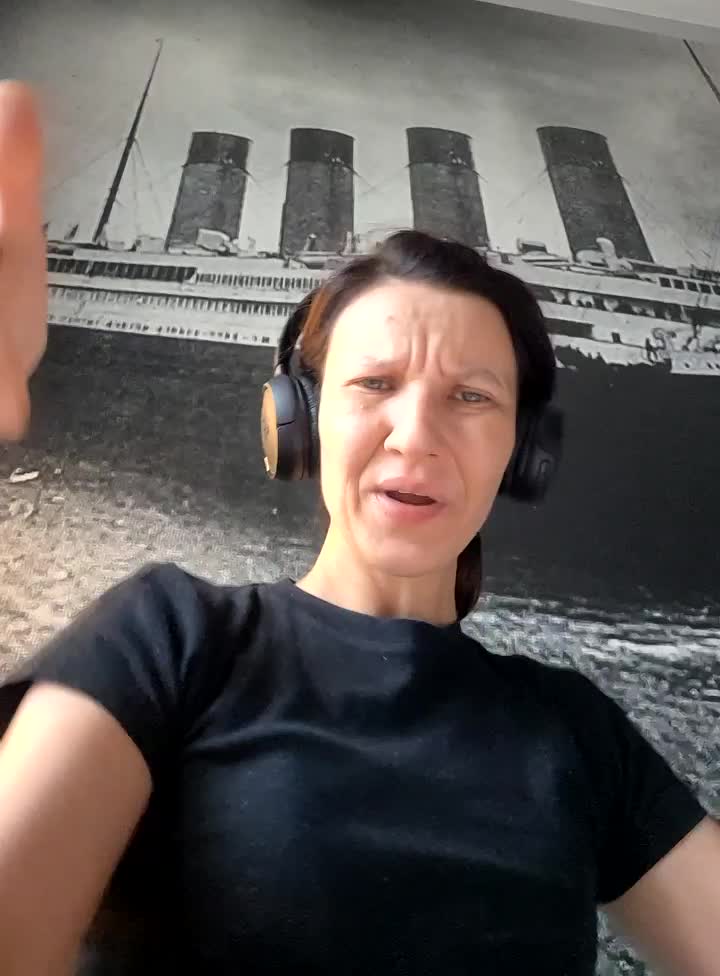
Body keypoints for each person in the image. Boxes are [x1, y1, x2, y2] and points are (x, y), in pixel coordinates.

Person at [0, 79, 718, 976]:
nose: (415, 435)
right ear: (297, 421)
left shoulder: (574, 729)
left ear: (523, 451)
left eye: (471, 397)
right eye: (375, 384)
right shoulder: (169, 638)